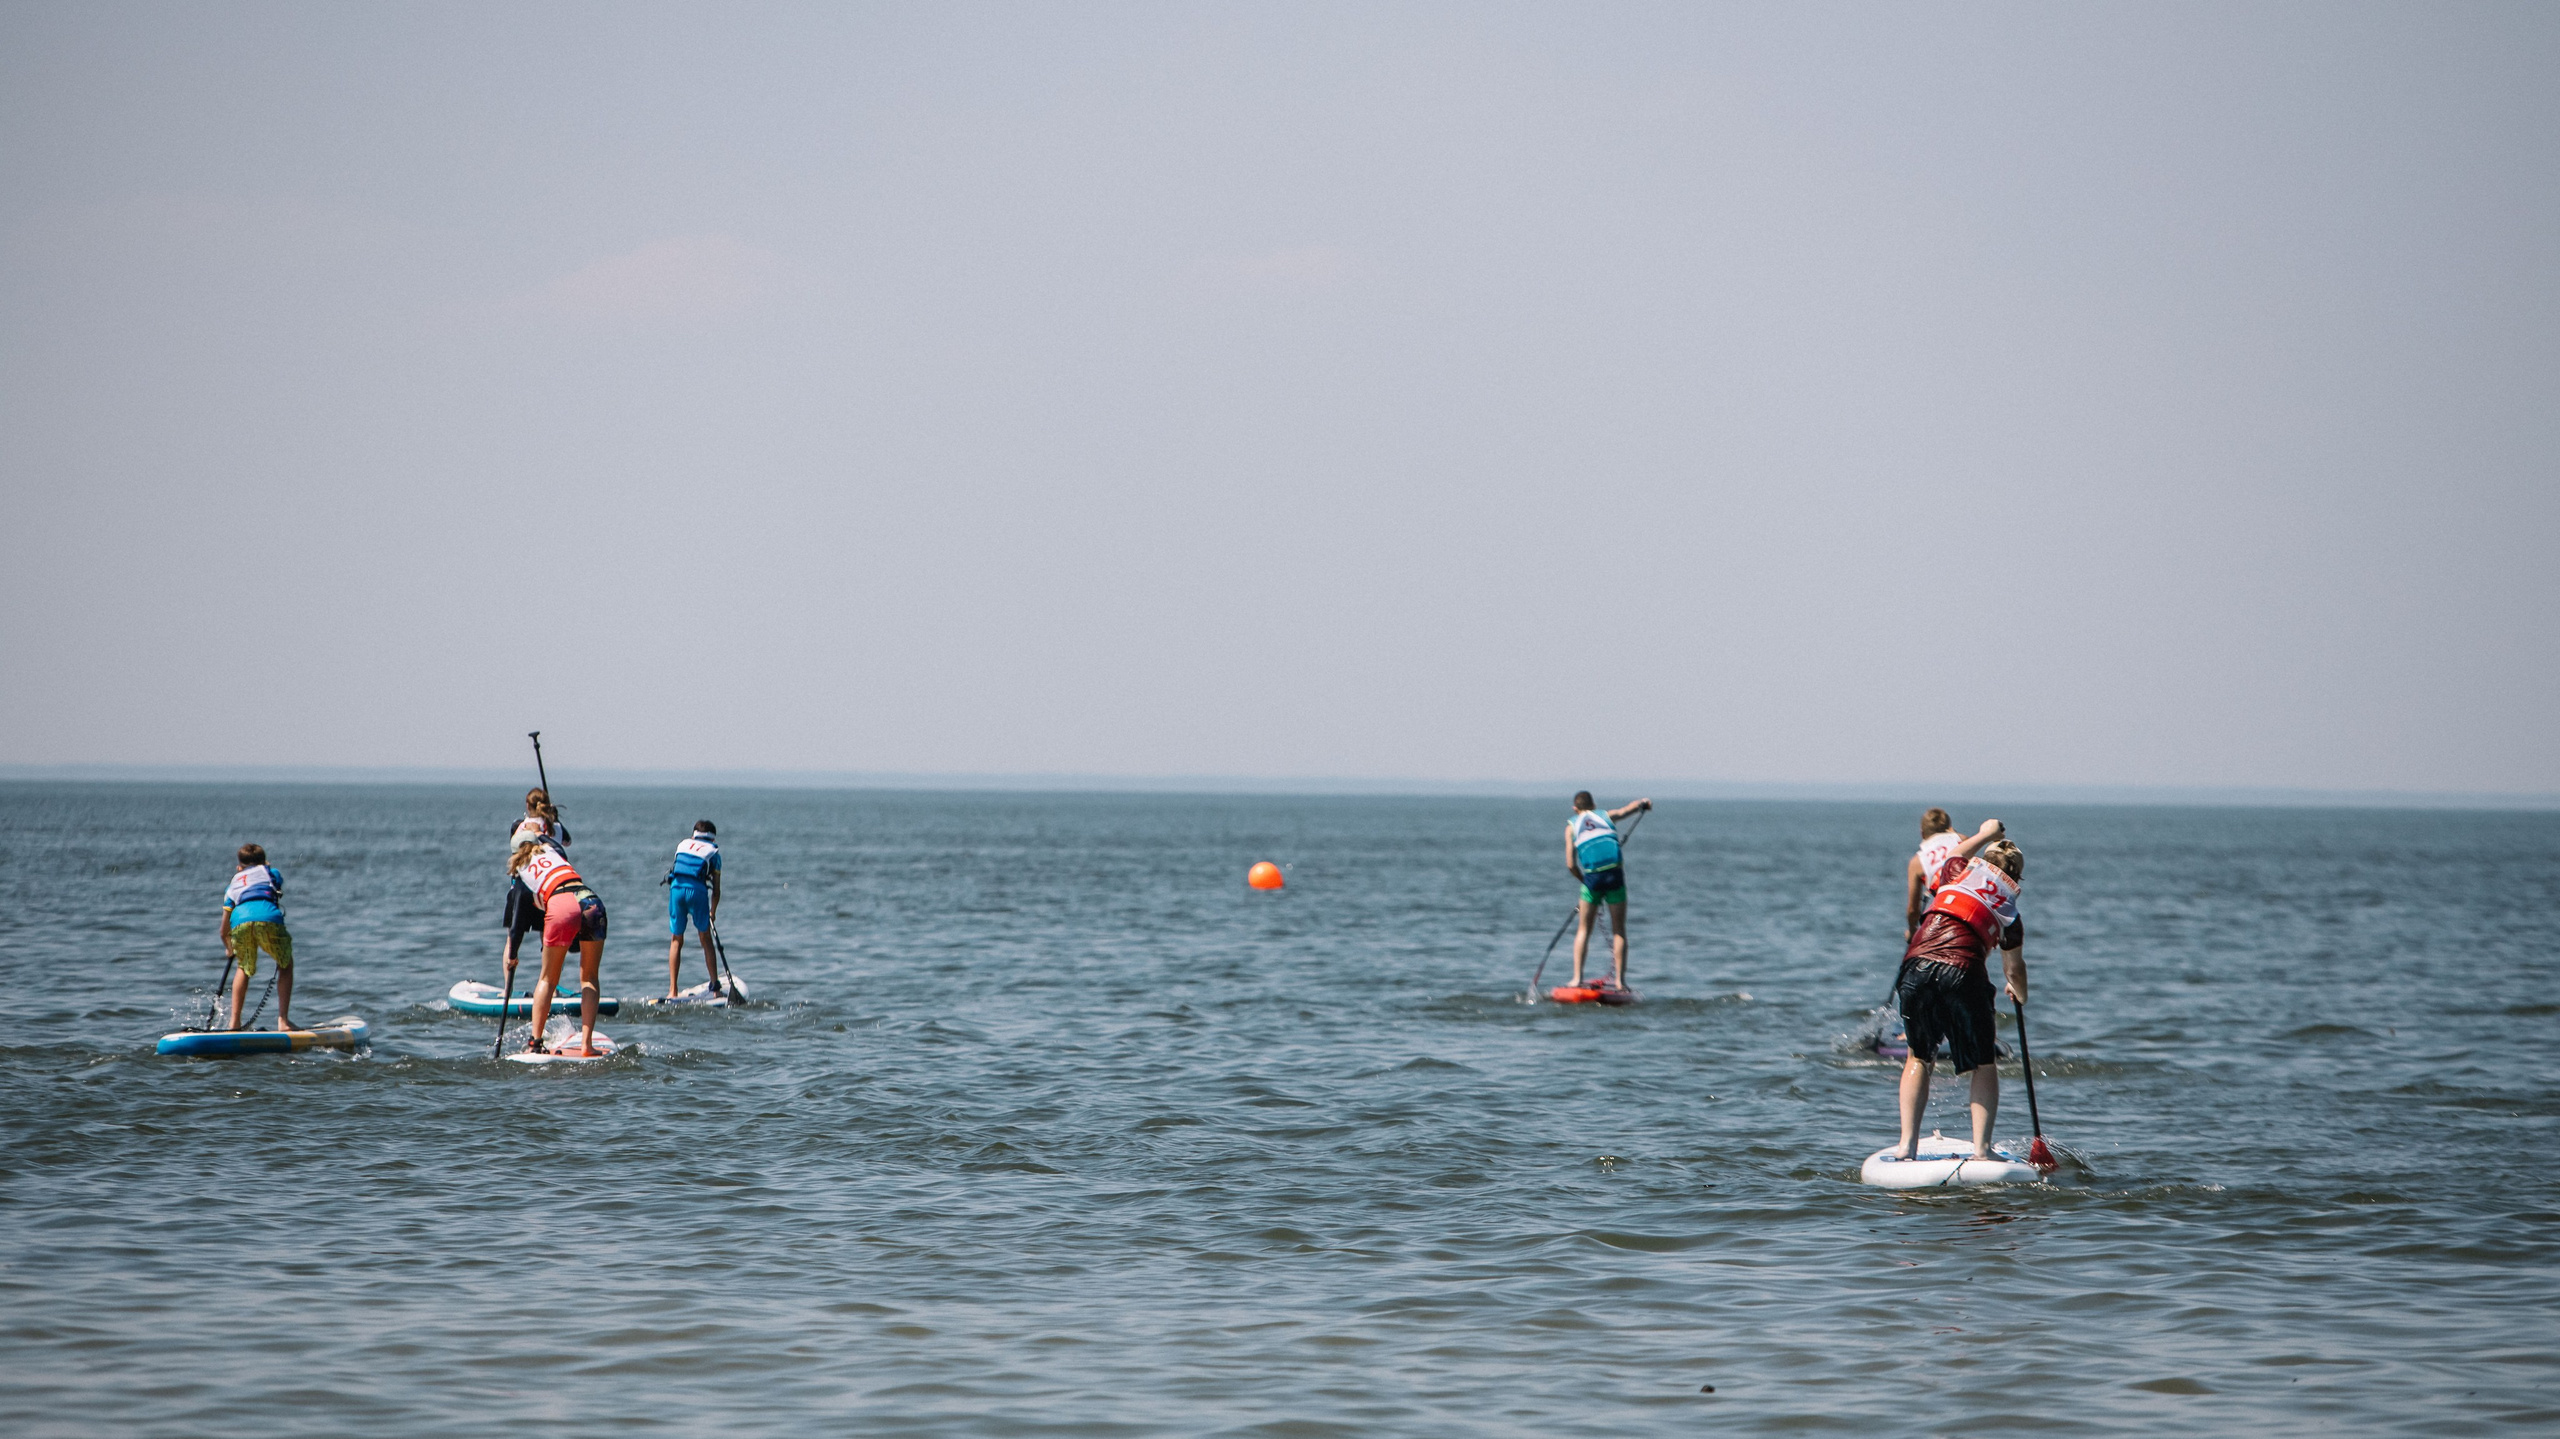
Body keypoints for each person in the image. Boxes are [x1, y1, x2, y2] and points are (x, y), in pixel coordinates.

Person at [1892, 819, 2028, 1161]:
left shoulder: (1956, 871)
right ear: (2017, 878)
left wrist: (1985, 833)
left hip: (1915, 966)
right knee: (1983, 1063)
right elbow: (2013, 968)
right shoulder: (2010, 911)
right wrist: (2019, 992)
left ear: (1982, 861)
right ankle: (1982, 1151)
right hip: (1963, 972)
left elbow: (1955, 851)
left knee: (1918, 1056)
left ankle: (1907, 1146)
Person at [507, 833, 608, 1056]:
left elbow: (516, 923)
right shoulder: (552, 851)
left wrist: (512, 953)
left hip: (561, 903)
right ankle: (586, 1046)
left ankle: (535, 1043)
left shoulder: (521, 872)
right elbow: (555, 842)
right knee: (589, 977)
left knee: (547, 979)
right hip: (590, 899)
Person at [1565, 792, 1651, 990]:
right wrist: (1643, 803)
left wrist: (1584, 881)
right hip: (1614, 875)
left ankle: (1576, 978)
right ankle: (1621, 982)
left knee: (1584, 930)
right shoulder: (1605, 815)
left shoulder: (1571, 826)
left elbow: (1571, 864)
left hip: (1592, 879)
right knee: (1619, 930)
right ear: (1594, 805)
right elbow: (1626, 810)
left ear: (1575, 809)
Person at [219, 843, 294, 1031]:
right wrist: (266, 866)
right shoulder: (271, 872)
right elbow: (275, 881)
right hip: (268, 918)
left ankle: (234, 1023)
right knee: (285, 965)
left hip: (240, 922)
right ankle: (283, 1021)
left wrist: (229, 948)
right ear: (264, 861)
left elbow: (223, 928)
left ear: (239, 867)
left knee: (243, 968)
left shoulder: (233, 884)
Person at [663, 820, 723, 998]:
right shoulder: (714, 854)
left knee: (676, 940)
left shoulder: (682, 845)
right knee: (705, 939)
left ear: (694, 835)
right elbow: (717, 891)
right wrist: (712, 912)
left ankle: (672, 990)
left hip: (676, 891)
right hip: (697, 893)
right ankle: (716, 989)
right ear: (712, 838)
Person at [1904, 808, 1963, 939]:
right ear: (1950, 828)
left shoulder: (1917, 861)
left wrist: (1912, 931)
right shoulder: (1963, 840)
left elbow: (1913, 910)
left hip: (1950, 913)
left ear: (1922, 834)